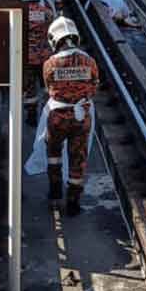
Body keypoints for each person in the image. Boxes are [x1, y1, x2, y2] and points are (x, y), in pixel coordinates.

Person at [42, 17, 99, 216]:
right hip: (81, 117)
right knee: (78, 158)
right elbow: (94, 87)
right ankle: (74, 201)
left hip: (57, 117)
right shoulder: (89, 61)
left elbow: (48, 88)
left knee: (53, 155)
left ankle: (55, 194)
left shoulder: (50, 64)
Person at [20, 0, 56, 124]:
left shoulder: (20, 12)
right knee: (48, 86)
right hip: (45, 58)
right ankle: (49, 114)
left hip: (27, 58)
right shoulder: (47, 13)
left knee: (29, 89)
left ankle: (31, 116)